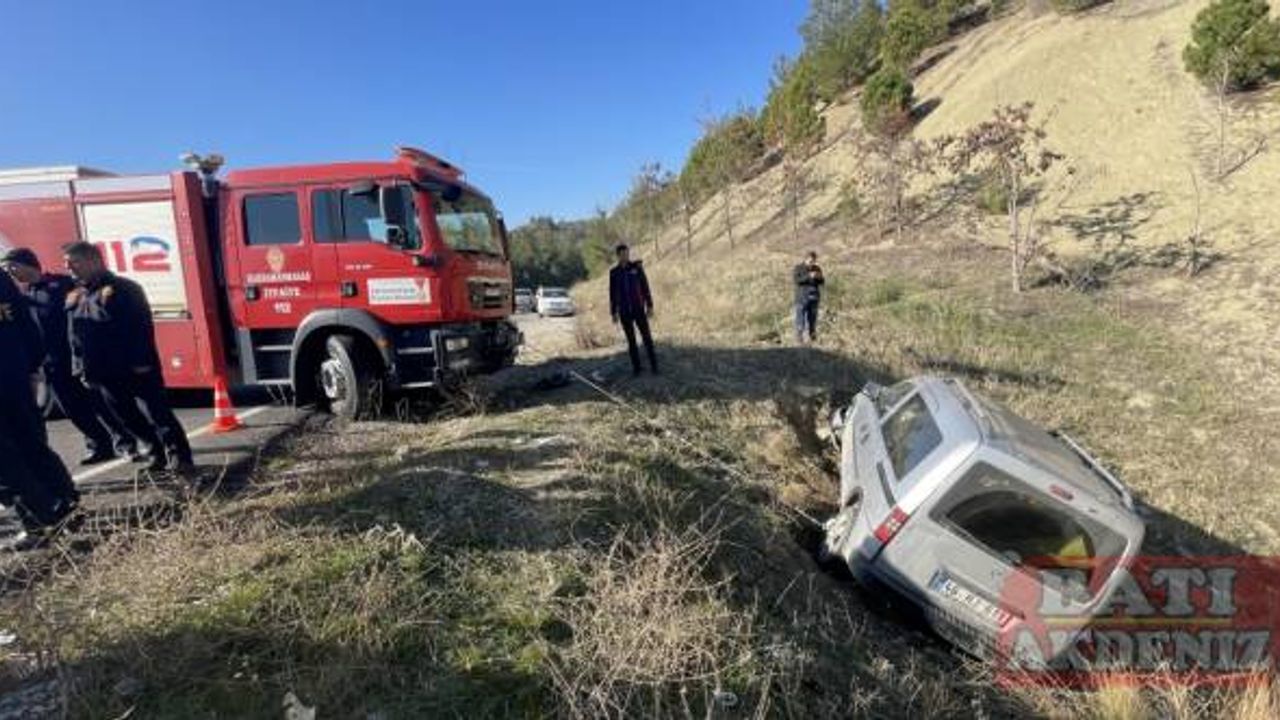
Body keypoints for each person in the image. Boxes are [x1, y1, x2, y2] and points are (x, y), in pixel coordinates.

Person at [63, 242, 194, 473]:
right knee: (126, 417)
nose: (69, 267)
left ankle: (180, 457)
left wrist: (141, 361)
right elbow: (75, 338)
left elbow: (139, 327)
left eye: (74, 262)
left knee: (157, 414)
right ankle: (156, 454)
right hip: (103, 372)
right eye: (66, 263)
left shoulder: (123, 288)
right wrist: (80, 369)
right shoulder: (76, 296)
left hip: (135, 367)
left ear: (94, 260)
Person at [2, 248, 140, 465]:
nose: (10, 272)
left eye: (12, 266)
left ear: (27, 264)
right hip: (51, 364)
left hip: (75, 358)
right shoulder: (24, 296)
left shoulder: (61, 284)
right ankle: (98, 445)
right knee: (74, 409)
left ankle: (126, 444)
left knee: (99, 404)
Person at [0, 270, 80, 548]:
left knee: (8, 461)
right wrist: (32, 366)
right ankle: (67, 504)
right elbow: (25, 321)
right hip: (14, 374)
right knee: (31, 445)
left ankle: (44, 515)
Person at [608, 243, 658, 376]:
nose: (626, 256)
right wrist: (613, 312)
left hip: (638, 309)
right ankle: (637, 369)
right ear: (618, 256)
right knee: (631, 341)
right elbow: (612, 294)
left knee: (647, 338)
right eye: (623, 254)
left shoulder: (636, 268)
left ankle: (654, 366)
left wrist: (650, 305)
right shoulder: (614, 273)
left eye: (627, 253)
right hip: (624, 312)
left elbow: (645, 287)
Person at [793, 251, 825, 343]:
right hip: (802, 298)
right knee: (800, 320)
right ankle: (799, 340)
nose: (812, 264)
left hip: (814, 298)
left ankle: (813, 339)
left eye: (814, 261)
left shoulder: (817, 268)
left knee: (812, 320)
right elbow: (797, 280)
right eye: (810, 261)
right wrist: (809, 276)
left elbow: (822, 282)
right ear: (805, 259)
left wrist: (819, 277)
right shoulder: (798, 268)